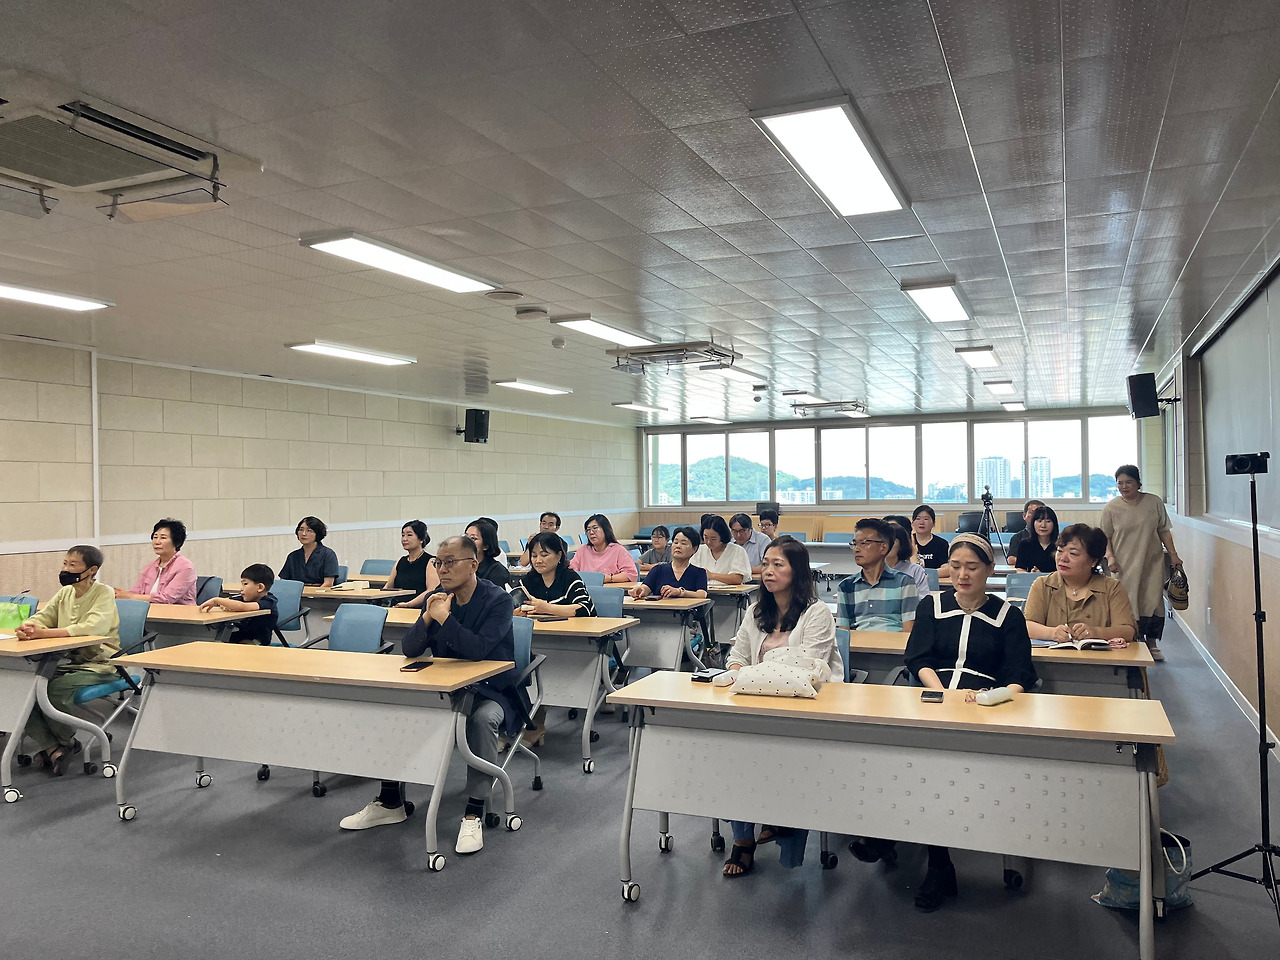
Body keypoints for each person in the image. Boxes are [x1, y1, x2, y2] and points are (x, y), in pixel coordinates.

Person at [851, 534, 1037, 911]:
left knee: (934, 770)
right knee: (903, 758)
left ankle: (915, 853)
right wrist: (940, 693)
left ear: (989, 570)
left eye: (972, 567)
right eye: (955, 567)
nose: (962, 575)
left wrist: (991, 697)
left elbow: (1021, 674)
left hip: (981, 707)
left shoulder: (1008, 615)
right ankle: (922, 854)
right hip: (934, 699)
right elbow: (917, 658)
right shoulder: (932, 606)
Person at [340, 536, 528, 856]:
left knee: (482, 720)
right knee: (397, 710)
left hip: (492, 690)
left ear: (473, 564)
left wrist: (443, 618)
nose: (442, 569)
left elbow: (478, 650)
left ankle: (474, 811)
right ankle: (390, 801)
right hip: (446, 689)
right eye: (438, 562)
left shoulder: (497, 600)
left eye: (450, 562)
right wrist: (428, 616)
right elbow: (410, 649)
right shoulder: (438, 598)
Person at [721, 536, 843, 878]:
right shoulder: (756, 611)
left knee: (782, 754)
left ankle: (782, 819)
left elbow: (807, 666)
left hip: (804, 708)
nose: (768, 571)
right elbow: (737, 656)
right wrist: (738, 671)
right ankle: (742, 839)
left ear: (797, 571)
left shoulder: (817, 613)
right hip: (754, 702)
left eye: (778, 564)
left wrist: (750, 674)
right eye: (766, 564)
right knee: (732, 753)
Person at [16, 545, 120, 776]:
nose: (66, 569)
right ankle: (55, 747)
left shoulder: (104, 593)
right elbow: (44, 616)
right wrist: (29, 626)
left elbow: (93, 627)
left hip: (99, 665)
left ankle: (64, 742)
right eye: (65, 563)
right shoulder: (65, 593)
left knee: (54, 690)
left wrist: (45, 634)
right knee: (23, 691)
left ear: (92, 570)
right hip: (67, 662)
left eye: (73, 565)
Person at [1100, 465, 1182, 661]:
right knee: (1126, 603)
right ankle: (1130, 642)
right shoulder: (1111, 508)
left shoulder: (1154, 502)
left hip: (1151, 562)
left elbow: (1164, 531)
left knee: (1152, 601)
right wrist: (1110, 557)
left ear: (1138, 483)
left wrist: (1173, 555)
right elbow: (1106, 537)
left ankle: (1152, 644)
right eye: (1120, 483)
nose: (1124, 486)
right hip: (1123, 564)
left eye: (1128, 482)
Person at [1024, 524, 1137, 648]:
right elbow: (1027, 625)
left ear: (1093, 561)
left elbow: (1128, 631)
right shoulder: (1042, 585)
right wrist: (1052, 633)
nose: (1063, 558)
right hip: (1050, 659)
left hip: (1099, 659)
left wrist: (1096, 632)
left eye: (1073, 553)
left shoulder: (1112, 588)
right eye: (1060, 551)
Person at [836, 518, 919, 632]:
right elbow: (843, 632)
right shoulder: (846, 586)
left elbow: (909, 631)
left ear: (883, 548)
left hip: (894, 642)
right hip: (858, 642)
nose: (856, 549)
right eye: (855, 544)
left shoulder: (904, 582)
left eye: (864, 543)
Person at [114, 518, 197, 604]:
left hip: (178, 612)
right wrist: (121, 594)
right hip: (151, 611)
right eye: (155, 537)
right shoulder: (150, 567)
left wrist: (129, 596)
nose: (157, 542)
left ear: (177, 542)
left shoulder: (186, 567)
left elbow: (167, 598)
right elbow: (136, 591)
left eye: (163, 538)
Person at [514, 532, 596, 618]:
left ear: (559, 556)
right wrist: (515, 613)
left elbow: (585, 609)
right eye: (534, 556)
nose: (538, 561)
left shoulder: (570, 578)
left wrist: (547, 608)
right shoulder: (529, 580)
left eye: (544, 555)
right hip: (539, 626)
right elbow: (510, 605)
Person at [199, 564, 279, 645]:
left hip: (258, 640)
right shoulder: (244, 598)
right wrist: (227, 605)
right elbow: (228, 601)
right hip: (239, 636)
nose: (241, 589)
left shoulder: (269, 601)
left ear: (260, 587)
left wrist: (217, 600)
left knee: (243, 645)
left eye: (245, 584)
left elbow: (244, 607)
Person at [629, 526, 708, 600]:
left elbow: (702, 594)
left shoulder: (699, 573)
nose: (678, 546)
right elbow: (646, 587)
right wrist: (640, 590)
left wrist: (680, 592)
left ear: (695, 549)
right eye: (675, 542)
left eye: (683, 543)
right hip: (660, 609)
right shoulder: (658, 570)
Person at [569, 514, 637, 584]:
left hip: (610, 588)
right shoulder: (582, 551)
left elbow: (631, 574)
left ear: (605, 530)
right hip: (586, 588)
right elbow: (571, 571)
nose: (591, 532)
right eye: (588, 530)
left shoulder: (618, 550)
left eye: (595, 528)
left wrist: (609, 578)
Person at [391, 521, 441, 609]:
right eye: (403, 535)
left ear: (421, 539)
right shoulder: (401, 561)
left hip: (418, 608)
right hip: (396, 607)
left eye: (409, 535)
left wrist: (408, 604)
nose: (404, 539)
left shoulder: (431, 561)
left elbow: (431, 590)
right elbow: (388, 587)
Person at [690, 515, 751, 586]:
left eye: (713, 539)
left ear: (722, 536)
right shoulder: (699, 550)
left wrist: (712, 575)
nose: (709, 542)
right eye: (706, 537)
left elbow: (737, 579)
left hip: (729, 592)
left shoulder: (737, 551)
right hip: (702, 591)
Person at [280, 516, 339, 587]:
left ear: (317, 533)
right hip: (297, 593)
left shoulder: (328, 554)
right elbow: (284, 581)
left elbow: (328, 583)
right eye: (301, 530)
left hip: (320, 592)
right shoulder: (293, 556)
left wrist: (314, 592)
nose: (303, 534)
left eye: (309, 530)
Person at [886, 521, 929, 596]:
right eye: (881, 541)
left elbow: (924, 597)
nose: (885, 545)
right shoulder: (870, 570)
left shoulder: (915, 570)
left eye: (891, 541)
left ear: (901, 544)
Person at [466, 519, 511, 589]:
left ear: (485, 546)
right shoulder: (460, 566)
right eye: (465, 537)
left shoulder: (498, 572)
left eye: (473, 538)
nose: (466, 541)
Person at [1014, 505, 1059, 573]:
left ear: (1054, 524)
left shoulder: (1061, 545)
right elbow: (1020, 569)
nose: (1043, 525)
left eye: (1048, 521)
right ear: (1033, 523)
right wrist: (1031, 575)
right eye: (1039, 521)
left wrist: (1042, 576)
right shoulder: (1025, 545)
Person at [729, 513, 772, 578]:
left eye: (742, 531)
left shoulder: (763, 540)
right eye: (734, 531)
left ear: (750, 529)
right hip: (732, 579)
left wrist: (744, 572)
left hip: (755, 580)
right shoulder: (730, 541)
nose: (738, 535)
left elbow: (768, 565)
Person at [1004, 499, 1046, 565]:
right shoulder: (1018, 537)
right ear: (1024, 516)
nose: (1036, 516)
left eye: (1039, 513)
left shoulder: (1052, 537)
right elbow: (1011, 560)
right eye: (1032, 512)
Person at [910, 505, 950, 571]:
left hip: (934, 577)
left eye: (926, 519)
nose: (921, 522)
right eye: (918, 519)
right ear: (913, 523)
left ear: (933, 523)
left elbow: (946, 568)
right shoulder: (908, 541)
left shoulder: (941, 544)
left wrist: (925, 574)